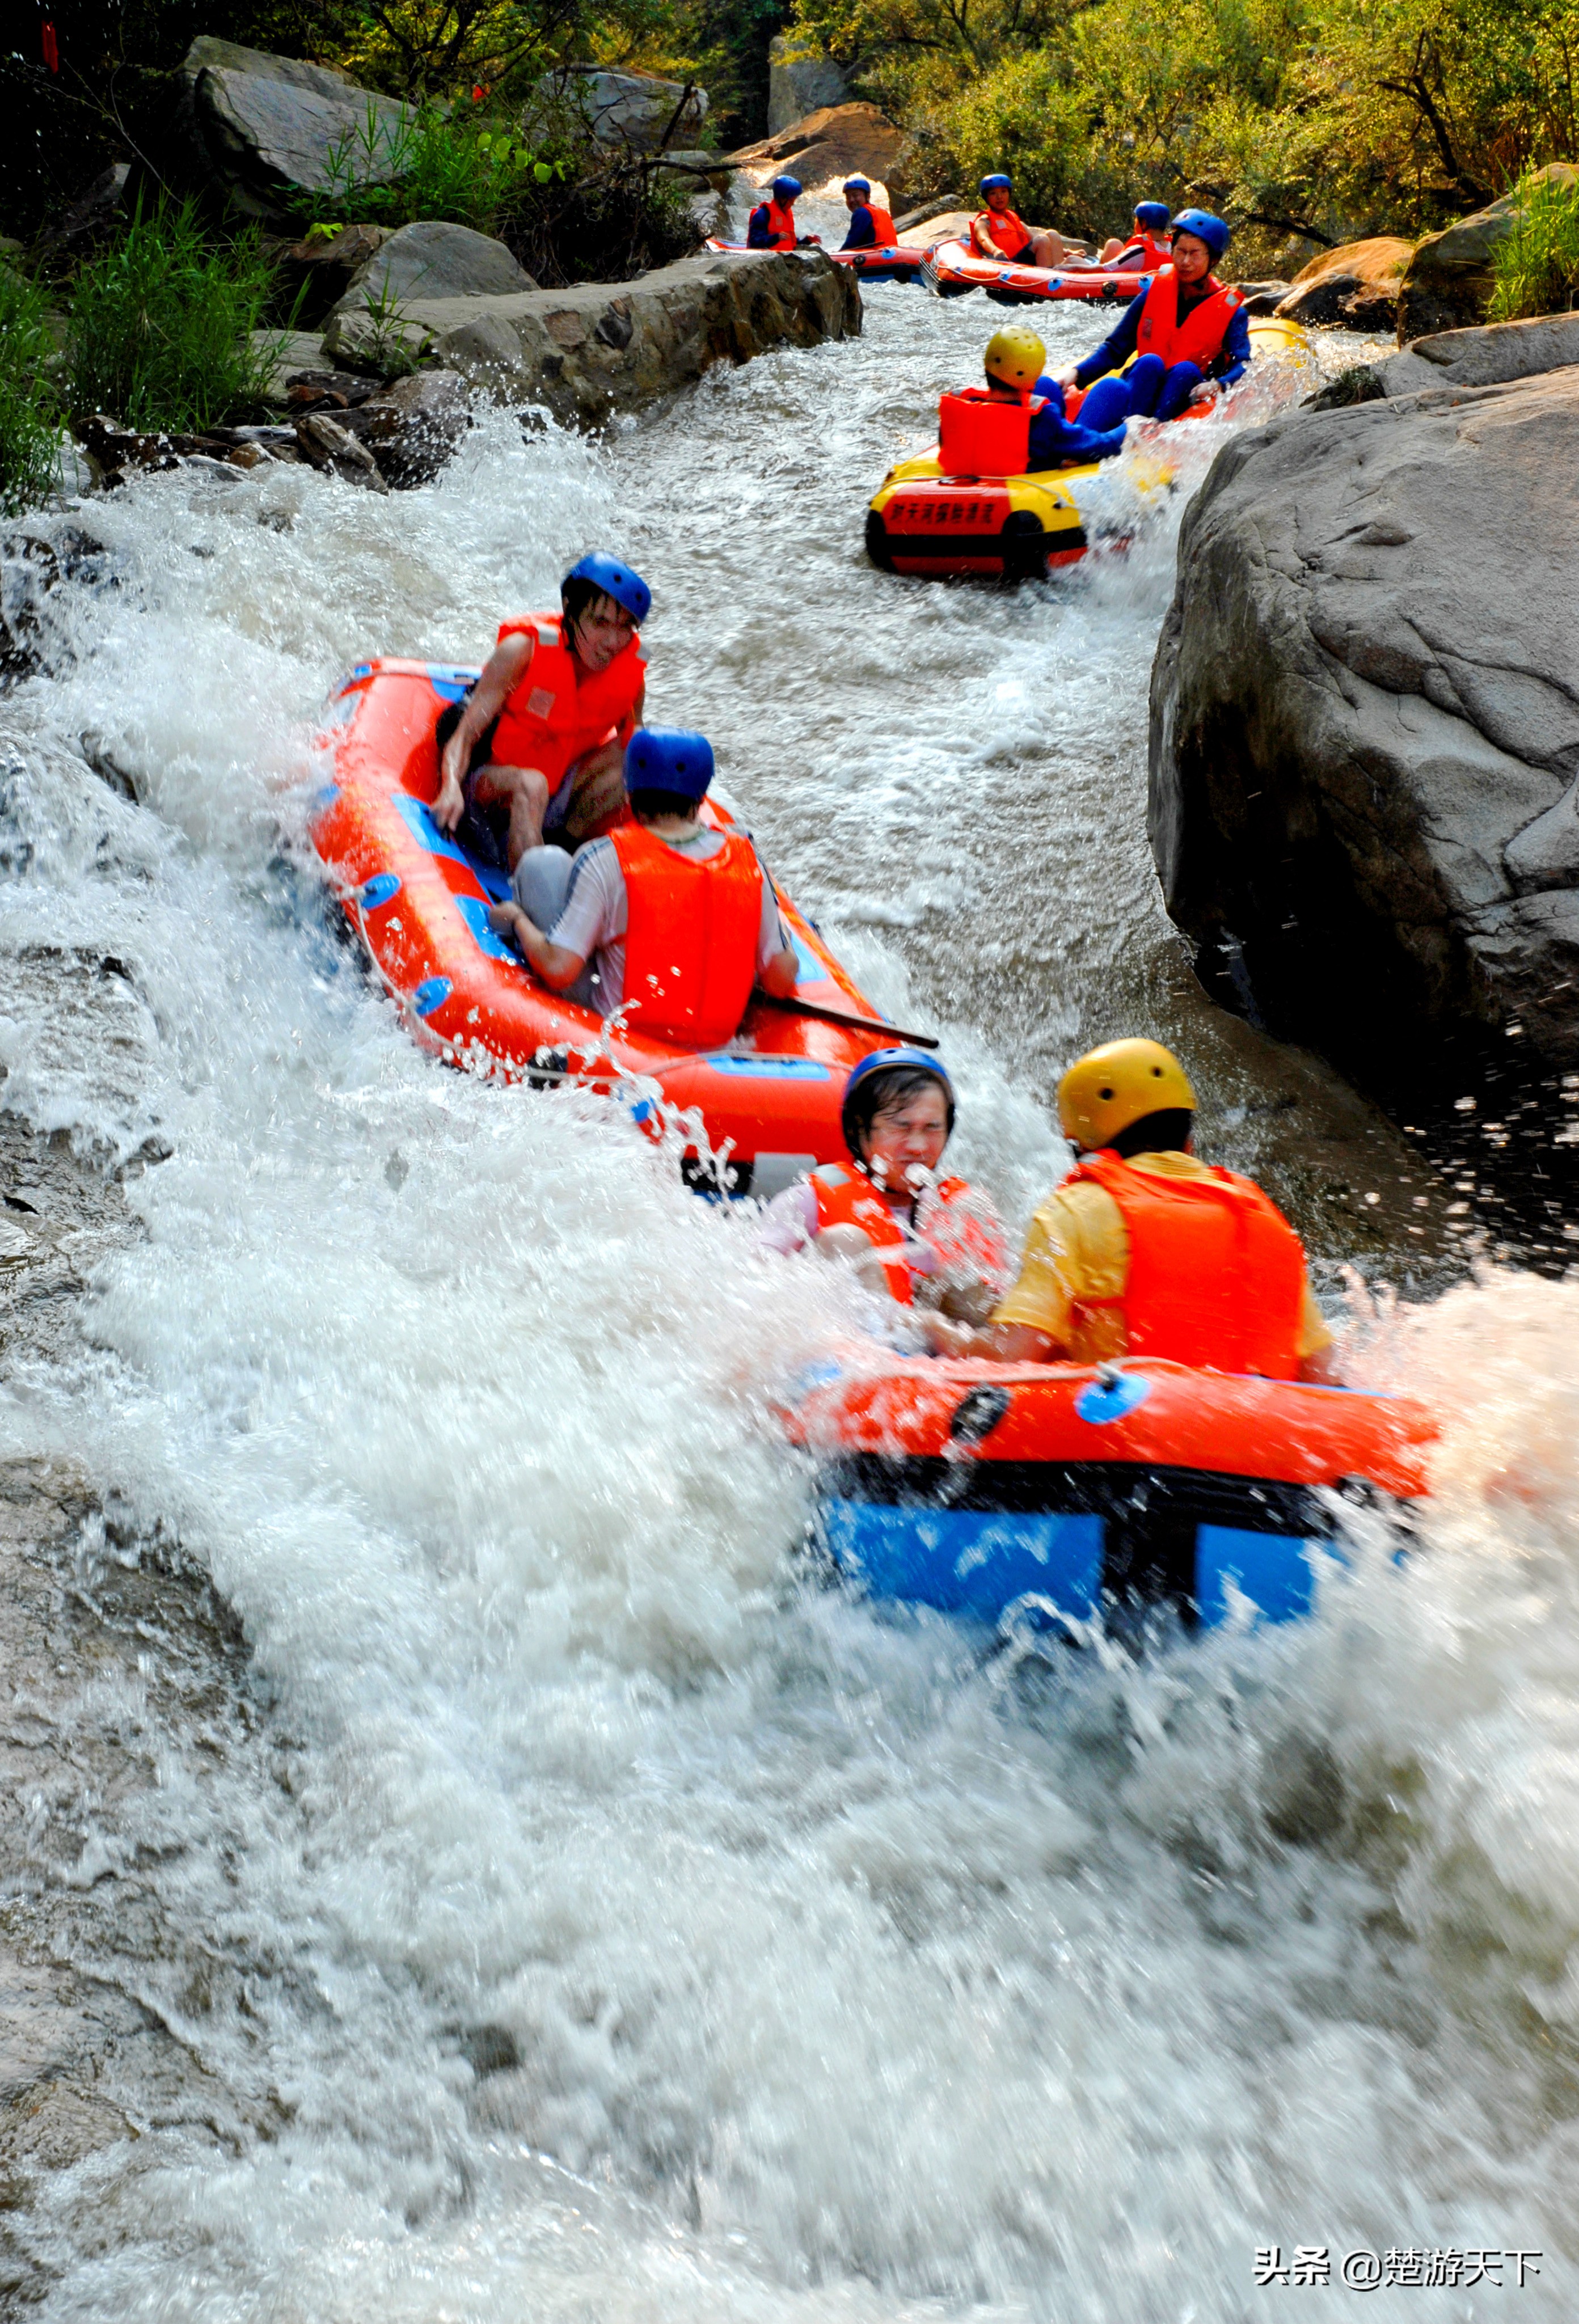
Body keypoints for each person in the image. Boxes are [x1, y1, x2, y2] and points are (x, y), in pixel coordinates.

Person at [928, 1039, 1340, 1380]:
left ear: (1087, 1151)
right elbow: (1322, 1373)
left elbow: (1007, 1358)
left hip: (1127, 1439)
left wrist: (936, 1332)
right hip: (1267, 1448)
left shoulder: (1077, 1210)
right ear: (1189, 1142)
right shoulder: (1261, 1214)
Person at [487, 727, 800, 1046]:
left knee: (543, 865)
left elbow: (558, 969)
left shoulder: (605, 858)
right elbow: (780, 979)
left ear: (628, 794)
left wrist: (517, 921)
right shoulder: (748, 863)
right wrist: (783, 932)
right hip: (717, 1045)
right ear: (702, 798)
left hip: (623, 1044)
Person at [433, 553, 649, 873]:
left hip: (558, 800)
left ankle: (564, 848)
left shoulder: (630, 674)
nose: (613, 642)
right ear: (570, 609)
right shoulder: (521, 652)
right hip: (492, 797)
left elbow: (641, 757)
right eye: (600, 623)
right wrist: (450, 786)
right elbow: (464, 735)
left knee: (639, 751)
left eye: (624, 628)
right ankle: (533, 896)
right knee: (532, 784)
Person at [759, 1051, 1011, 1319]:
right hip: (857, 1347)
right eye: (900, 1127)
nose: (918, 1146)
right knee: (844, 1240)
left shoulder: (961, 1209)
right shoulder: (807, 1201)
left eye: (932, 1128)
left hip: (943, 1350)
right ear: (859, 1128)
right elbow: (756, 1285)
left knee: (967, 1282)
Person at [1056, 210, 1250, 428]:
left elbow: (1242, 364)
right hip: (1144, 387)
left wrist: (1219, 385)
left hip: (1184, 394)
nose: (1185, 262)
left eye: (1195, 254)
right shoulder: (1153, 293)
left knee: (1186, 371)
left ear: (1213, 259)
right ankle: (1124, 431)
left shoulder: (1233, 312)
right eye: (1180, 252)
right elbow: (1115, 349)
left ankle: (1151, 432)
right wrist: (1076, 374)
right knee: (1150, 362)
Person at [961, 323, 1128, 471]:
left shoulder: (964, 405)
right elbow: (1103, 445)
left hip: (989, 467)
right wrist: (1132, 428)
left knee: (1047, 385)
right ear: (1030, 379)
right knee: (1114, 389)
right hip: (1036, 474)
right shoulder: (1040, 421)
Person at [967, 175, 1074, 269]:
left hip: (1023, 262)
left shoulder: (1014, 219)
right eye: (993, 193)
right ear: (986, 198)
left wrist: (1068, 252)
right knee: (1042, 240)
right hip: (1008, 264)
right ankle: (1049, 279)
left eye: (1003, 192)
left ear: (1009, 194)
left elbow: (1033, 241)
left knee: (1052, 234)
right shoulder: (984, 221)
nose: (999, 197)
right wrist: (995, 250)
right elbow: (984, 239)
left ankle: (1061, 276)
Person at [1096, 201, 1173, 269]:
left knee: (1113, 244)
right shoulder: (1176, 249)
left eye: (1136, 221)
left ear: (1144, 223)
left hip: (1121, 282)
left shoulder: (1138, 251)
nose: (1134, 226)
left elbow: (1104, 270)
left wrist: (1083, 264)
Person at [747, 175, 813, 251]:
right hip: (768, 260)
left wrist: (806, 241)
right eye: (791, 201)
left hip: (785, 259)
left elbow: (790, 243)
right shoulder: (763, 214)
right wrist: (776, 238)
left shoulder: (787, 213)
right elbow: (755, 242)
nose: (793, 204)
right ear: (782, 199)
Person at [839, 176, 897, 250]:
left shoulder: (862, 212)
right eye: (848, 197)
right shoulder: (883, 212)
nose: (851, 200)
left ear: (868, 196)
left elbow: (851, 243)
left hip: (875, 258)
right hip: (890, 256)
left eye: (855, 195)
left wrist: (834, 257)